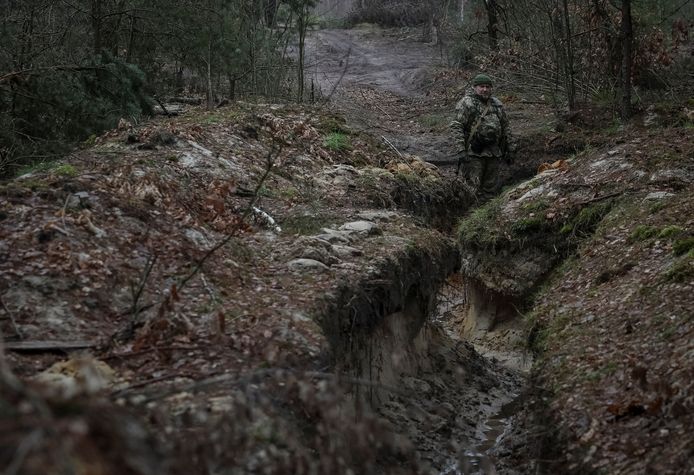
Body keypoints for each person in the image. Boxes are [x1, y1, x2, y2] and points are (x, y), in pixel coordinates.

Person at [451, 74, 514, 199]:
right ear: (475, 87)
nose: (485, 89)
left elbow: (506, 128)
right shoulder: (467, 103)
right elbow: (456, 126)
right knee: (471, 187)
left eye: (487, 87)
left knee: (490, 189)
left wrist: (510, 149)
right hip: (474, 152)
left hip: (494, 152)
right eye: (481, 86)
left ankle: (486, 214)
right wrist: (461, 150)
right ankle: (468, 214)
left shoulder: (497, 104)